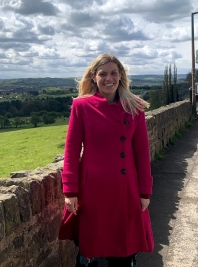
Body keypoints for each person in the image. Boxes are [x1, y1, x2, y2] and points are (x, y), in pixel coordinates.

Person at [59, 53, 154, 267]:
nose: (108, 78)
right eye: (102, 74)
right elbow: (72, 150)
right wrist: (70, 191)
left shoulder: (134, 107)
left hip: (126, 189)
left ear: (120, 76)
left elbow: (142, 152)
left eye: (113, 73)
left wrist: (144, 192)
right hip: (92, 190)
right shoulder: (81, 106)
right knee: (90, 249)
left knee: (123, 250)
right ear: (94, 77)